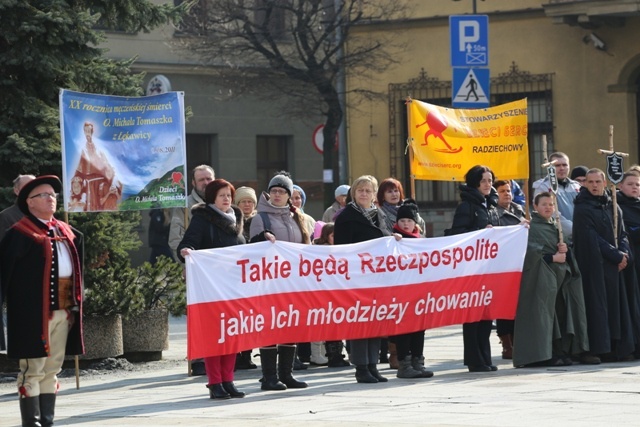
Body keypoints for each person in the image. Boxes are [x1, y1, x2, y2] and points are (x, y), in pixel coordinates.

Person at [0, 175, 84, 426]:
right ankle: (32, 422)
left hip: (64, 311)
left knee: (53, 368)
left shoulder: (66, 231)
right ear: (30, 202)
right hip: (32, 315)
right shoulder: (19, 234)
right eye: (44, 195)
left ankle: (47, 420)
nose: (51, 199)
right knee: (32, 369)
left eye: (53, 195)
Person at [177, 179, 246, 400]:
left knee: (232, 335)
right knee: (215, 336)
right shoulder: (202, 219)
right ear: (212, 199)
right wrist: (186, 251)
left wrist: (264, 238)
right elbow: (186, 244)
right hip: (211, 288)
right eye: (222, 195)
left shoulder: (237, 219)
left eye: (229, 195)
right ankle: (215, 382)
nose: (227, 199)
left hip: (234, 288)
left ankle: (228, 380)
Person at [513, 192, 589, 367]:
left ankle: (559, 350)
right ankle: (541, 354)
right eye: (544, 204)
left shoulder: (556, 227)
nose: (548, 207)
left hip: (560, 280)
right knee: (544, 317)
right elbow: (530, 254)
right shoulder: (530, 228)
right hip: (540, 279)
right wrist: (553, 258)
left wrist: (566, 250)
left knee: (560, 315)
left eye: (551, 204)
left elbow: (565, 251)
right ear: (535, 206)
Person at [249, 171, 310, 391]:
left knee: (290, 327)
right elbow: (253, 249)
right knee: (270, 328)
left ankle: (287, 374)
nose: (276, 195)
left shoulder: (297, 218)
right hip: (270, 283)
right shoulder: (261, 217)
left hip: (293, 282)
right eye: (273, 190)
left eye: (281, 191)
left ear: (289, 194)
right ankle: (269, 377)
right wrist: (262, 238)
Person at [334, 175, 394, 383]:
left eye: (368, 191)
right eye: (360, 190)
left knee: (375, 321)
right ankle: (361, 367)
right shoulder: (346, 217)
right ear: (354, 193)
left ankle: (372, 365)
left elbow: (387, 238)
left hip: (378, 278)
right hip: (357, 278)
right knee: (360, 322)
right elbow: (341, 250)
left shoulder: (381, 215)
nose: (364, 194)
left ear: (374, 194)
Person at [573, 168, 635, 363]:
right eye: (590, 182)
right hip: (595, 265)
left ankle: (617, 346)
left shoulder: (613, 206)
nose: (594, 185)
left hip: (615, 265)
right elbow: (590, 238)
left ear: (605, 184)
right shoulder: (582, 208)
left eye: (597, 182)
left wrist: (623, 253)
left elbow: (622, 233)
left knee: (617, 306)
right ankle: (598, 347)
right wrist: (614, 254)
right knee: (597, 306)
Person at [445, 165, 498, 372]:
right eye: (483, 180)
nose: (488, 184)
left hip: (489, 267)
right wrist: (479, 232)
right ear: (475, 182)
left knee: (486, 316)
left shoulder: (490, 205)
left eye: (490, 180)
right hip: (472, 270)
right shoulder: (466, 206)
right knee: (473, 317)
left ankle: (485, 357)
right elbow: (458, 234)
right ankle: (474, 360)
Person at [168, 165, 215, 377]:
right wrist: (185, 263)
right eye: (201, 180)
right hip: (197, 271)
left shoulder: (220, 201)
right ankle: (198, 359)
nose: (206, 183)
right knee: (199, 316)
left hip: (219, 272)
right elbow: (175, 240)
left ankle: (219, 355)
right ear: (194, 183)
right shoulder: (185, 207)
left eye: (209, 179)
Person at [390, 199, 434, 379]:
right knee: (405, 328)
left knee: (419, 328)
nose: (406, 224)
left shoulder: (421, 241)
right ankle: (404, 363)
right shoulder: (393, 239)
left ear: (415, 223)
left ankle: (418, 361)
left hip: (419, 291)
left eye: (409, 221)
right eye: (402, 221)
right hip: (401, 292)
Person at [492, 180, 526, 360]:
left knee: (518, 305)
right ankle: (506, 343)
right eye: (502, 191)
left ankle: (517, 340)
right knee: (505, 306)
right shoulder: (493, 214)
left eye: (508, 191)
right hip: (502, 265)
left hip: (519, 263)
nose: (506, 194)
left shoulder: (519, 210)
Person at [290, 184, 324, 366]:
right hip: (289, 272)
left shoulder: (309, 219)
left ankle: (306, 353)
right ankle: (290, 355)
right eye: (293, 197)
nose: (296, 201)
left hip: (306, 272)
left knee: (305, 314)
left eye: (298, 197)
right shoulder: (285, 218)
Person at [312, 222, 351, 368]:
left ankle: (337, 354)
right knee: (329, 326)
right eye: (334, 235)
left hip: (338, 292)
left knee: (338, 325)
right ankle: (331, 355)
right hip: (324, 294)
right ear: (326, 236)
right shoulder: (319, 252)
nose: (337, 238)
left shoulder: (342, 250)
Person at [231, 186, 259, 370]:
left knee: (250, 316)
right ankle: (237, 354)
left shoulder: (259, 220)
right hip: (236, 274)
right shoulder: (232, 220)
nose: (247, 205)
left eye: (250, 201)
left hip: (255, 275)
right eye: (243, 201)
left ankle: (247, 354)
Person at [615, 171, 640, 357]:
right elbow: (629, 231)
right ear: (620, 186)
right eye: (630, 184)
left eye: (638, 184)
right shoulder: (618, 207)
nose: (635, 187)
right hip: (633, 262)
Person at [532, 152, 581, 244]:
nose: (562, 168)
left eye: (564, 165)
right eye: (557, 165)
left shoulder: (576, 186)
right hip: (558, 239)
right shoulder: (543, 187)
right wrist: (574, 230)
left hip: (581, 236)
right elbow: (552, 213)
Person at [72, 122, 121, 211]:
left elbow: (109, 168)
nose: (87, 133)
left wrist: (112, 184)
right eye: (85, 131)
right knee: (91, 206)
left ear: (92, 131)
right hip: (89, 185)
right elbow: (79, 171)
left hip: (100, 185)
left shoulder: (100, 149)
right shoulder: (83, 150)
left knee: (100, 206)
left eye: (89, 130)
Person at [0, 174, 35, 242]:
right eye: (28, 186)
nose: (33, 190)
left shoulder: (43, 214)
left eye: (35, 187)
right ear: (17, 191)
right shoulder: (6, 217)